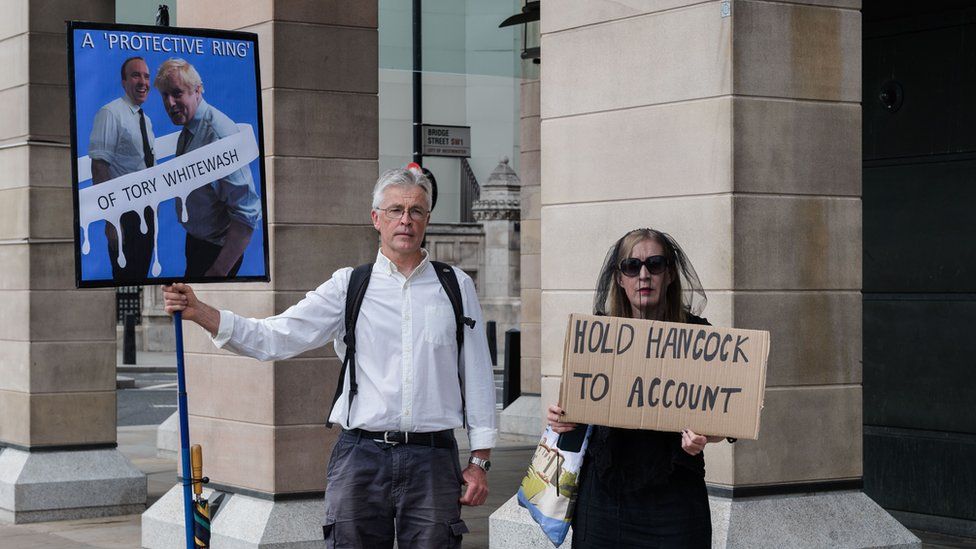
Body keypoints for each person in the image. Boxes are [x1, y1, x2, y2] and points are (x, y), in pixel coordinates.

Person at [162, 166, 497, 548]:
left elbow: (478, 376)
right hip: (361, 457)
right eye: (395, 210)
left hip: (433, 461)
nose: (405, 219)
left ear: (427, 219)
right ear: (376, 219)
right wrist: (200, 311)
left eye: (416, 211)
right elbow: (277, 336)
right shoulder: (349, 285)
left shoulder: (455, 285)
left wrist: (479, 462)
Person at [547, 228, 725, 548]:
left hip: (675, 499)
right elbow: (576, 405)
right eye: (632, 266)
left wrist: (703, 436)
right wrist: (560, 418)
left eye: (655, 264)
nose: (644, 275)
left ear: (669, 274)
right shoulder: (597, 335)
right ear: (619, 278)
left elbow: (720, 419)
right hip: (604, 498)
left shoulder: (699, 336)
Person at [153, 58, 261, 278]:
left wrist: (219, 271)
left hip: (216, 253)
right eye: (165, 95)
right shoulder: (191, 125)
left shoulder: (218, 136)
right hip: (198, 245)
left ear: (198, 90)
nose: (170, 103)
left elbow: (247, 214)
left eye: (177, 93)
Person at [89, 56, 156, 281]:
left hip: (145, 212)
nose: (143, 82)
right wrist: (111, 221)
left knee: (142, 275)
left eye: (146, 76)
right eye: (136, 75)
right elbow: (99, 168)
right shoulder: (110, 114)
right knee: (127, 278)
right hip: (124, 215)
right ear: (124, 82)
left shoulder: (145, 120)